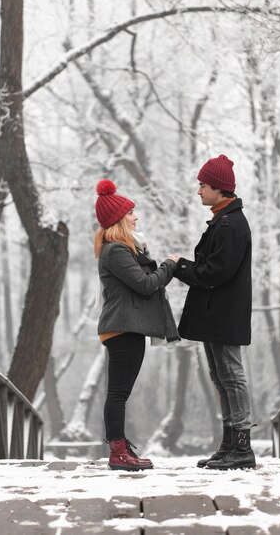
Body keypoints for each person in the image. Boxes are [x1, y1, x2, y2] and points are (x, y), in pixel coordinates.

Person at [173, 154, 256, 470]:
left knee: (232, 376)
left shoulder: (231, 225)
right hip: (215, 315)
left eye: (203, 185)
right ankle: (228, 445)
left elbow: (214, 273)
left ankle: (242, 447)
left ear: (219, 189)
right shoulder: (223, 221)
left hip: (223, 314)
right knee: (221, 377)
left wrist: (180, 265)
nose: (198, 191)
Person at [94, 179, 180, 471]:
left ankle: (119, 449)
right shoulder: (116, 250)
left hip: (126, 327)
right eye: (130, 212)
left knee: (120, 392)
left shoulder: (121, 248)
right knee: (118, 393)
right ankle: (117, 452)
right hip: (123, 328)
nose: (135, 216)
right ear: (118, 219)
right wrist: (169, 265)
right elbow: (145, 285)